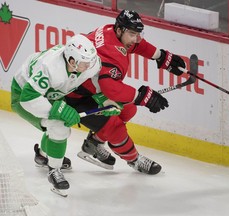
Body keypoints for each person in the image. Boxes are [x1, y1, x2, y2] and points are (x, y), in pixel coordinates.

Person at [65, 9, 186, 175]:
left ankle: (94, 143)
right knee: (115, 127)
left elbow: (137, 44)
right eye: (131, 34)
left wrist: (160, 56)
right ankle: (134, 160)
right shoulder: (110, 50)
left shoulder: (112, 30)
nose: (135, 38)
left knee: (128, 108)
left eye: (137, 33)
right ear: (120, 30)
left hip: (90, 91)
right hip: (75, 97)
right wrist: (142, 97)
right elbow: (110, 87)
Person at [10, 34, 120, 196]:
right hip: (24, 95)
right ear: (71, 61)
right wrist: (59, 111)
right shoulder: (49, 67)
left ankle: (42, 155)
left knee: (56, 127)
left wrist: (104, 99)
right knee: (59, 126)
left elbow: (96, 76)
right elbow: (28, 98)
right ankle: (54, 170)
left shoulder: (88, 63)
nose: (89, 66)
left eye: (90, 61)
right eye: (84, 63)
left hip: (52, 91)